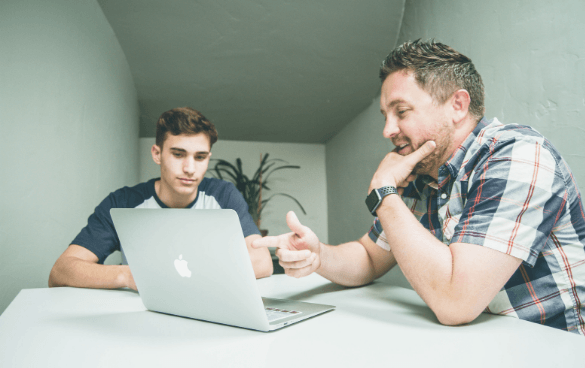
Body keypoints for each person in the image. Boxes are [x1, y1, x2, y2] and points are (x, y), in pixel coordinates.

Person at [253, 39, 585, 335]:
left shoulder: (518, 155)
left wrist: (384, 191)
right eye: (385, 115)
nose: (387, 130)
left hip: (554, 347)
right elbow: (370, 256)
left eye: (401, 112)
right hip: (481, 344)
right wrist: (318, 254)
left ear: (458, 105)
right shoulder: (424, 173)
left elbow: (456, 303)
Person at [49, 107, 273, 290]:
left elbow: (262, 262)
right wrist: (129, 276)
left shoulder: (223, 195)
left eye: (200, 157)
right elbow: (61, 271)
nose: (190, 168)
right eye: (178, 154)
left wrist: (179, 275)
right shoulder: (123, 202)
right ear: (157, 154)